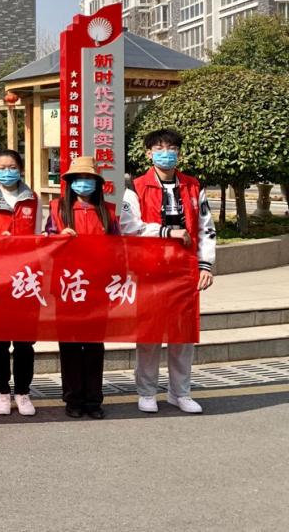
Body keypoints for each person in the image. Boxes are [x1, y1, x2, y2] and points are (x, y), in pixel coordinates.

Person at [121, 129, 216, 415]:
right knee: (149, 335)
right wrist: (165, 231)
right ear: (148, 153)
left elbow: (206, 227)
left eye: (172, 148)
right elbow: (128, 226)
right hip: (149, 270)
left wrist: (205, 265)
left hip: (184, 270)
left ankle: (180, 392)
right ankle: (147, 392)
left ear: (179, 153)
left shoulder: (193, 186)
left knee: (182, 335)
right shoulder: (135, 187)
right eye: (159, 148)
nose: (166, 153)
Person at [45, 156, 119, 419]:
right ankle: (73, 398)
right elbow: (44, 243)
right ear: (70, 182)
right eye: (78, 179)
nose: (83, 183)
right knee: (70, 344)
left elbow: (119, 248)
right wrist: (58, 237)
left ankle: (93, 399)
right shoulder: (57, 209)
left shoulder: (108, 211)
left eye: (88, 179)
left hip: (98, 286)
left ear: (97, 183)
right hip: (67, 286)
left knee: (95, 345)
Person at [0, 149, 42, 417]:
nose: (7, 172)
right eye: (2, 167)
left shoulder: (32, 199)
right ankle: (2, 390)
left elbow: (39, 237)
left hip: (26, 279)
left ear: (21, 169)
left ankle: (23, 392)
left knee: (25, 341)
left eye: (12, 167)